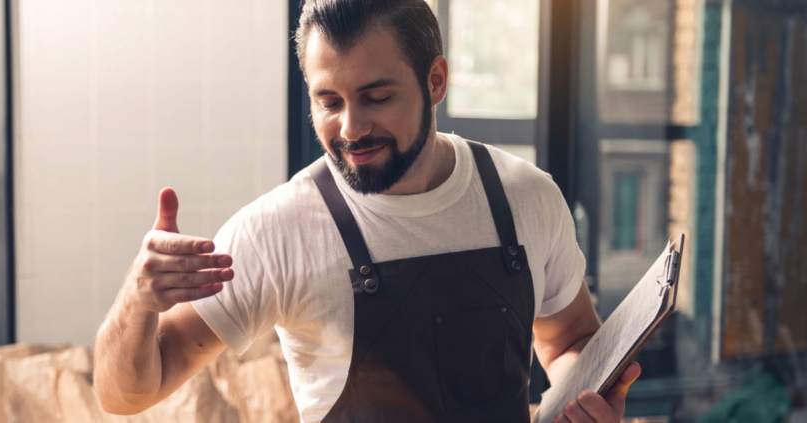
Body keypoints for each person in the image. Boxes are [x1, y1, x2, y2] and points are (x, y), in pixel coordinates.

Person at [93, 0, 640, 421]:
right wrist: (137, 301)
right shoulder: (275, 231)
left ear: (436, 81)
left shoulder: (527, 196)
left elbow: (568, 340)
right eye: (328, 102)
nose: (351, 129)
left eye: (377, 97)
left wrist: (583, 401)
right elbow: (126, 393)